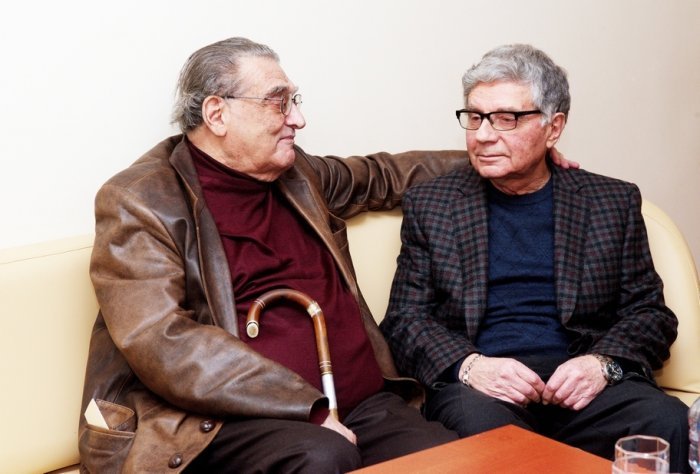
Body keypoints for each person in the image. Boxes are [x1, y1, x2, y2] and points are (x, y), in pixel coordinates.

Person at [380, 44, 690, 472]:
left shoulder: (611, 201)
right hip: (483, 391)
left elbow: (650, 314)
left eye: (506, 118)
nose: (483, 135)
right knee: (485, 435)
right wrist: (471, 367)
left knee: (666, 420)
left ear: (553, 127)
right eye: (475, 117)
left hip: (585, 389)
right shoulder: (432, 205)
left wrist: (601, 365)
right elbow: (404, 319)